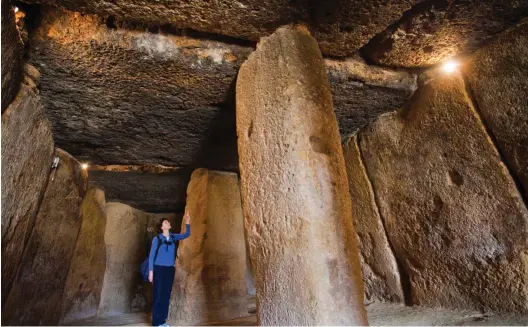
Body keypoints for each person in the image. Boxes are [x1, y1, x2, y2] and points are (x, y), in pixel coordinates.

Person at [149, 212, 191, 327]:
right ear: (162, 227)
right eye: (166, 222)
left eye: (168, 222)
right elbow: (151, 256)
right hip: (158, 269)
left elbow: (186, 234)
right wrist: (151, 272)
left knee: (166, 295)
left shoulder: (173, 237)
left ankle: (162, 321)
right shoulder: (157, 239)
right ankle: (156, 322)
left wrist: (187, 222)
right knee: (158, 294)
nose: (168, 223)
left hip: (169, 270)